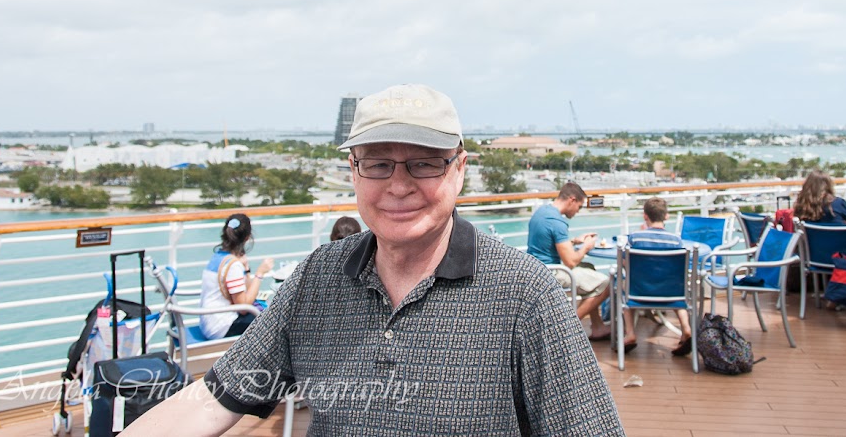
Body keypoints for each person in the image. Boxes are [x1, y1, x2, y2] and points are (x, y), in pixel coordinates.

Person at [121, 84, 623, 436]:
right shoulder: (317, 279)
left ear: (459, 170)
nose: (398, 186)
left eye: (424, 163)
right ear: (353, 171)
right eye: (378, 164)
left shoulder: (525, 294)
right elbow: (214, 399)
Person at [527, 182, 635, 348]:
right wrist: (586, 247)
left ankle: (598, 327)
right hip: (552, 273)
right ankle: (567, 327)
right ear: (572, 200)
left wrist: (574, 241)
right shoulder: (557, 222)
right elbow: (570, 262)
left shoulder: (542, 212)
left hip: (536, 269)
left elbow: (548, 243)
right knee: (608, 283)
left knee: (589, 268)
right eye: (579, 206)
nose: (578, 211)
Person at [626, 196, 693, 357]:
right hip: (670, 294)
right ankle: (686, 328)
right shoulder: (676, 241)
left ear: (645, 216)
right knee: (677, 288)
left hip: (639, 293)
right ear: (666, 216)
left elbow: (626, 263)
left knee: (623, 285)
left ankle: (630, 333)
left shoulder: (635, 237)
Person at [199, 214, 274, 339]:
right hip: (221, 327)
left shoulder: (218, 257)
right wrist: (260, 274)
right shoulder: (232, 265)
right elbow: (243, 307)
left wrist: (246, 269)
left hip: (209, 323)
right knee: (273, 321)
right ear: (247, 238)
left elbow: (246, 293)